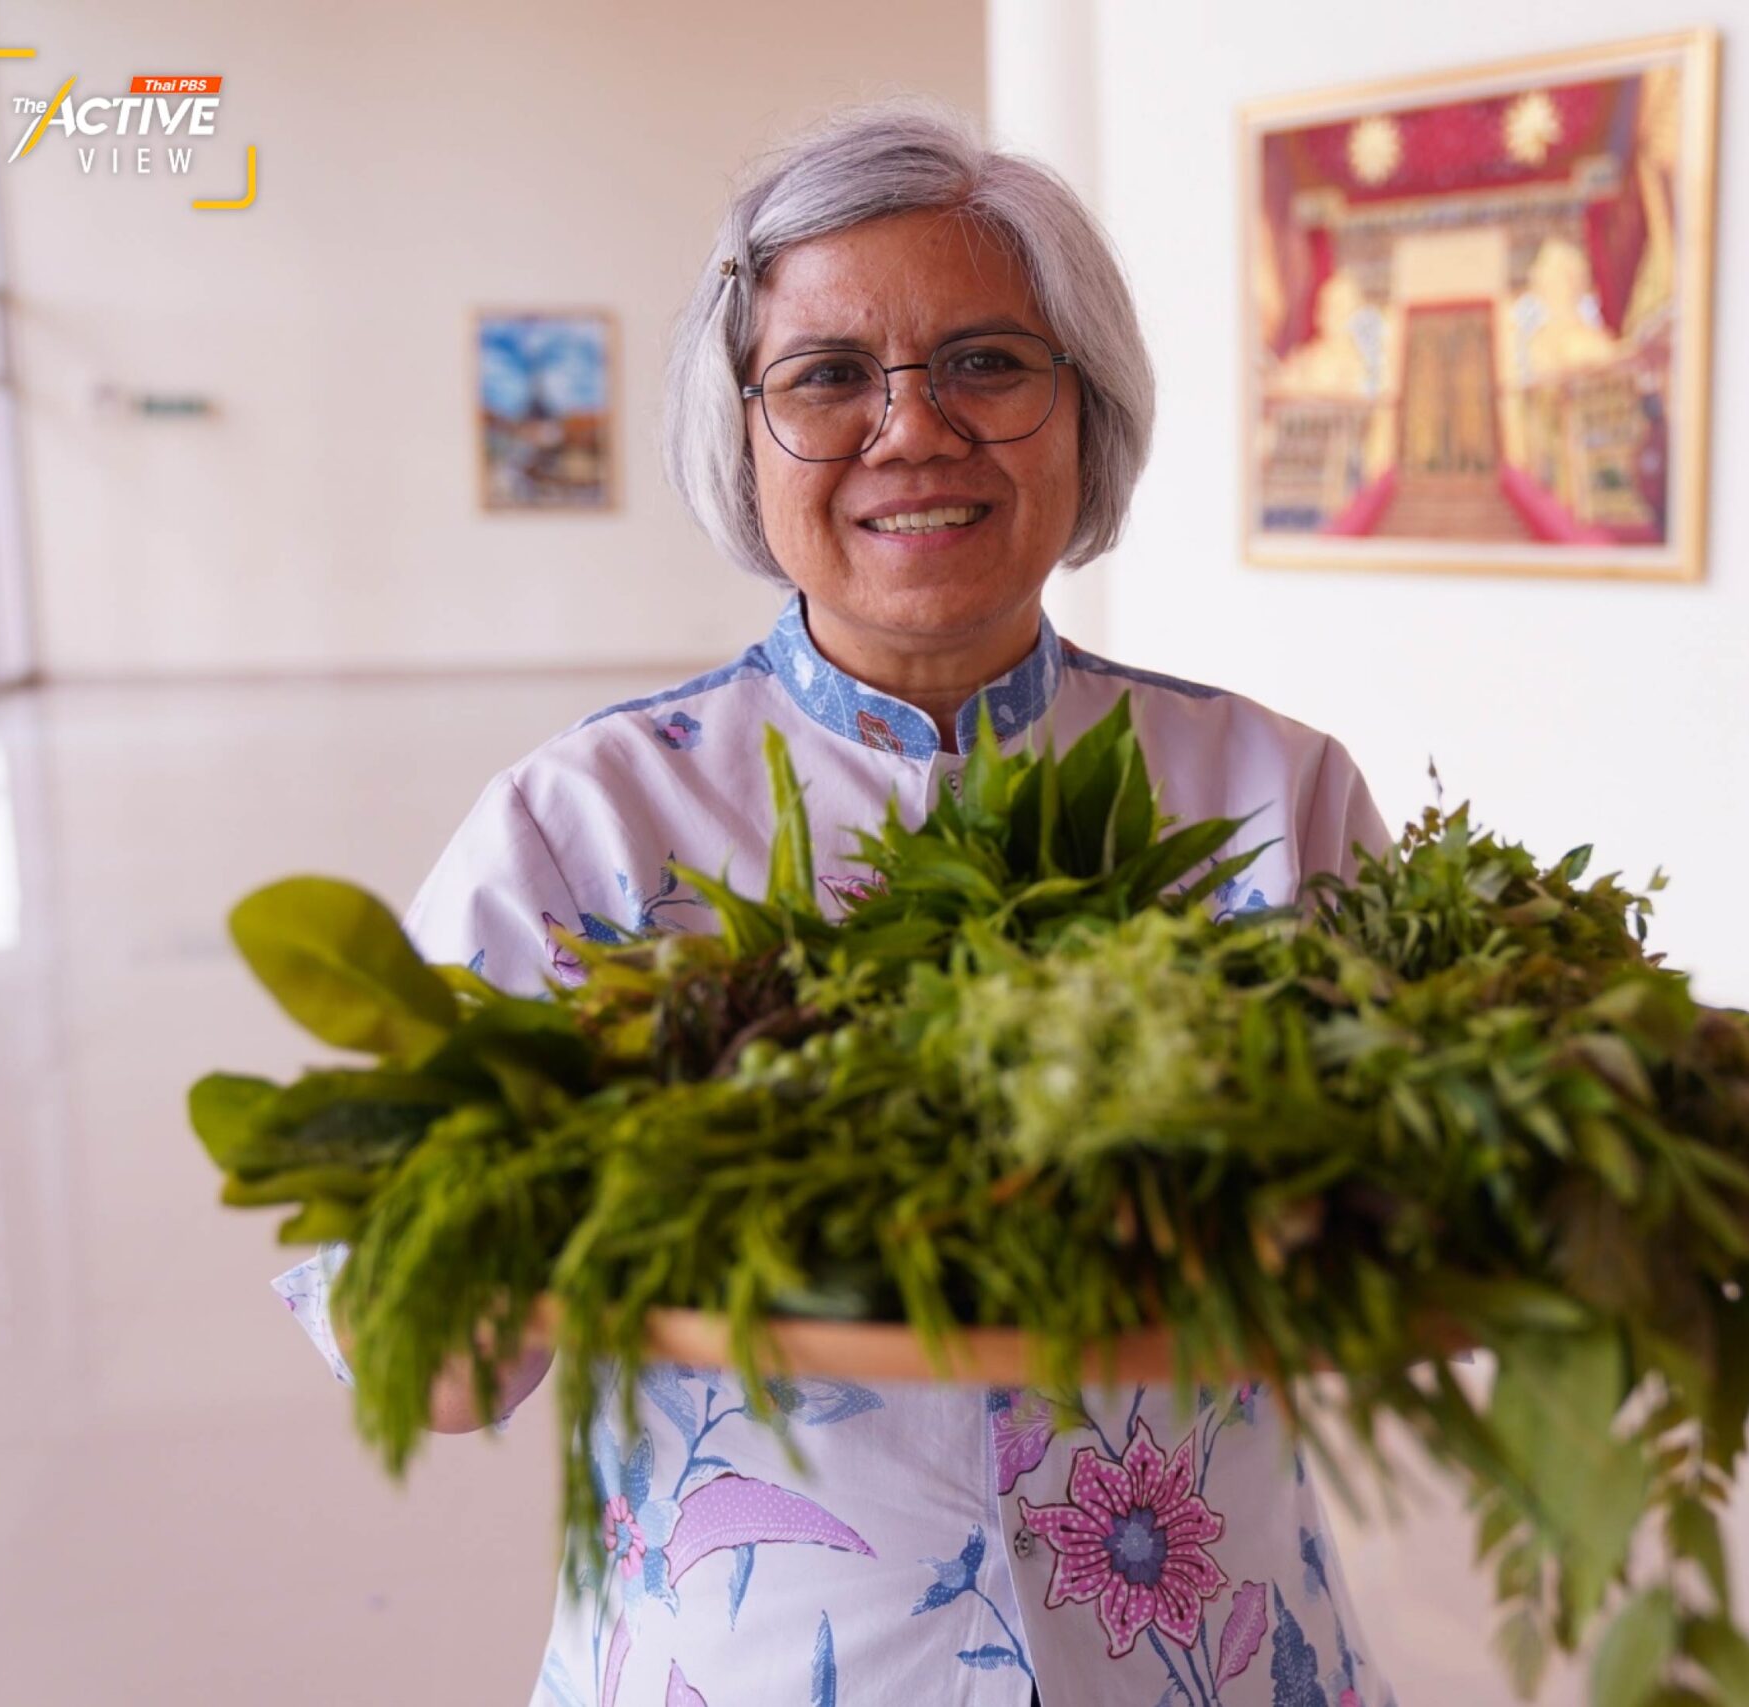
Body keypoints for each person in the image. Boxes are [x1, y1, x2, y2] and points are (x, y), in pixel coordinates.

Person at [274, 102, 1397, 1707]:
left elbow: (1420, 1253)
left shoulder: (1266, 792)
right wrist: (587, 1177)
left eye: (989, 362)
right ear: (742, 436)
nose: (913, 429)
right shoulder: (588, 821)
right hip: (750, 1662)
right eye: (826, 377)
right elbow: (426, 1368)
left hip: (1191, 1652)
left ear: (1088, 411)